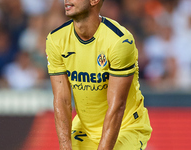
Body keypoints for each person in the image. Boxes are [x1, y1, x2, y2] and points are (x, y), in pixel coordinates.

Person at [46, 0, 152, 149]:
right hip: (85, 130)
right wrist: (65, 147)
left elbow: (117, 107)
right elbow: (62, 100)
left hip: (126, 127)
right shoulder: (55, 40)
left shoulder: (119, 42)